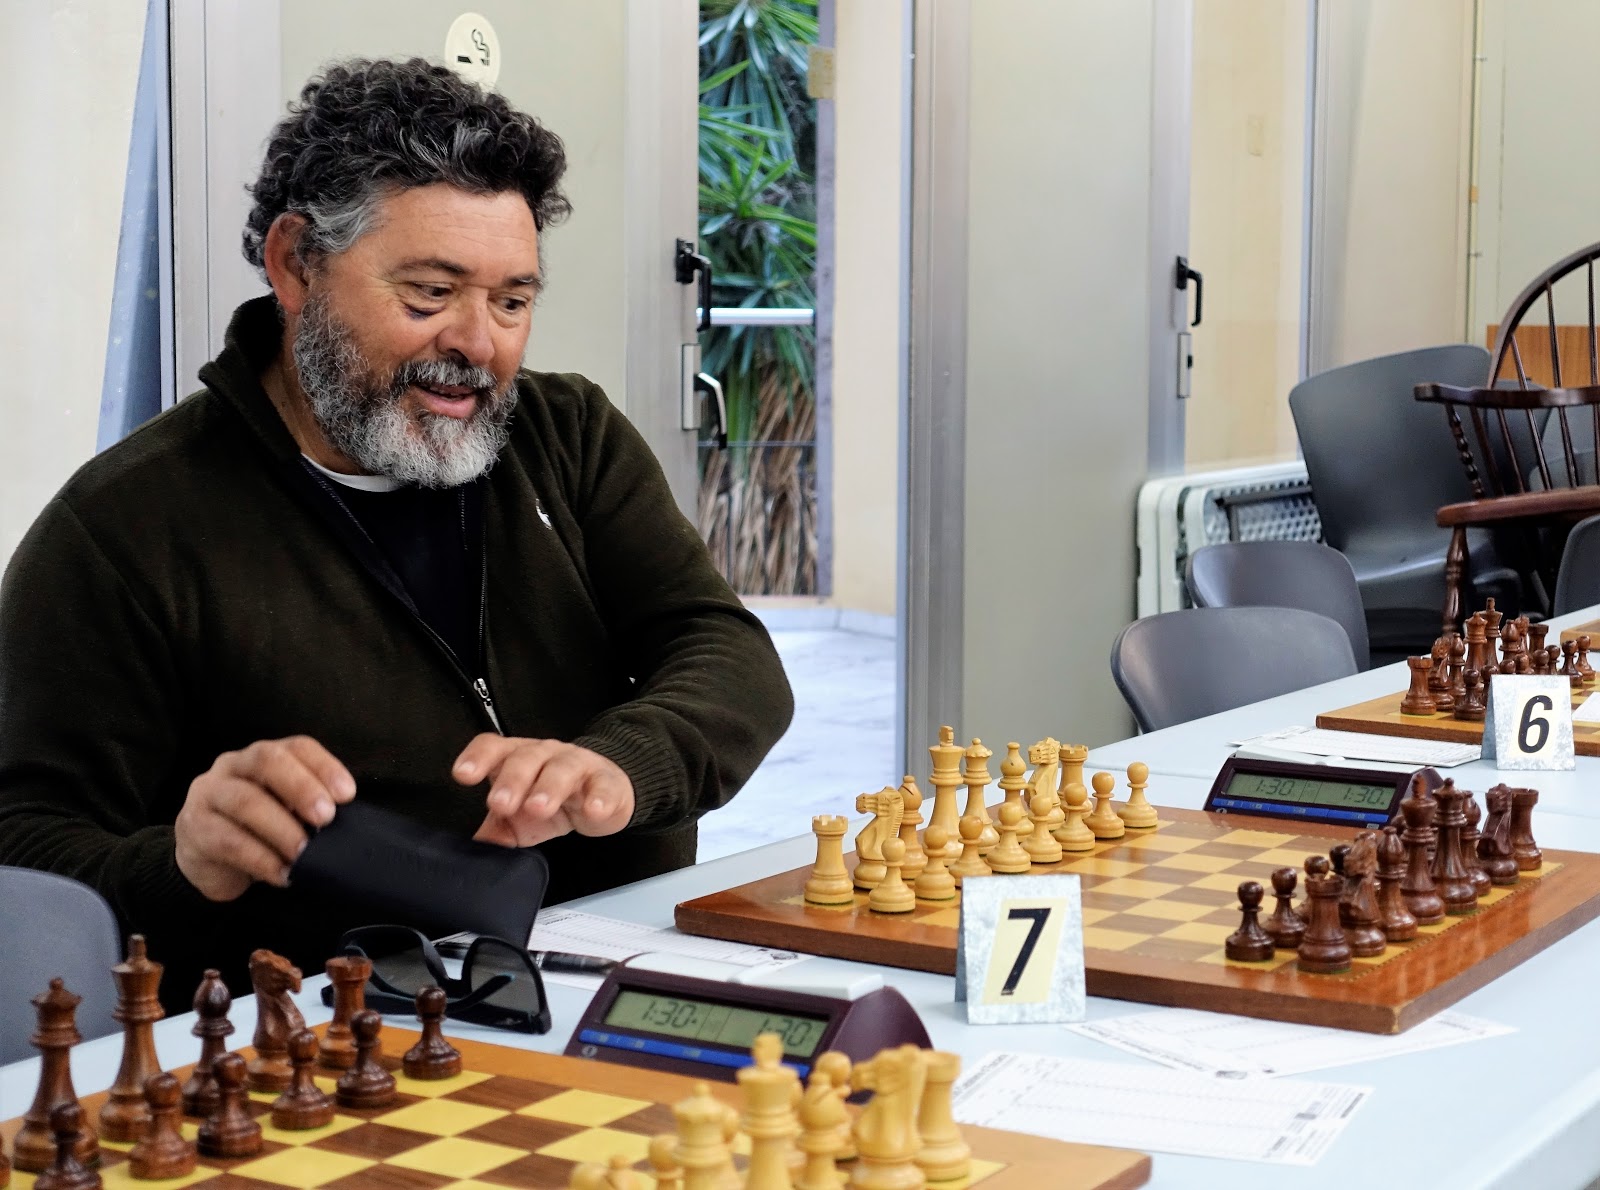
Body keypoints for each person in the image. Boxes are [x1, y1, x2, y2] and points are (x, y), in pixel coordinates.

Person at [0, 58, 793, 1010]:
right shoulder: (123, 528)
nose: (478, 342)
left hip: (610, 975)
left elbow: (727, 655)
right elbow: (25, 847)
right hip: (322, 1028)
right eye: (429, 293)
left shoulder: (567, 434)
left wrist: (624, 763)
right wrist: (183, 861)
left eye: (512, 301)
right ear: (296, 264)